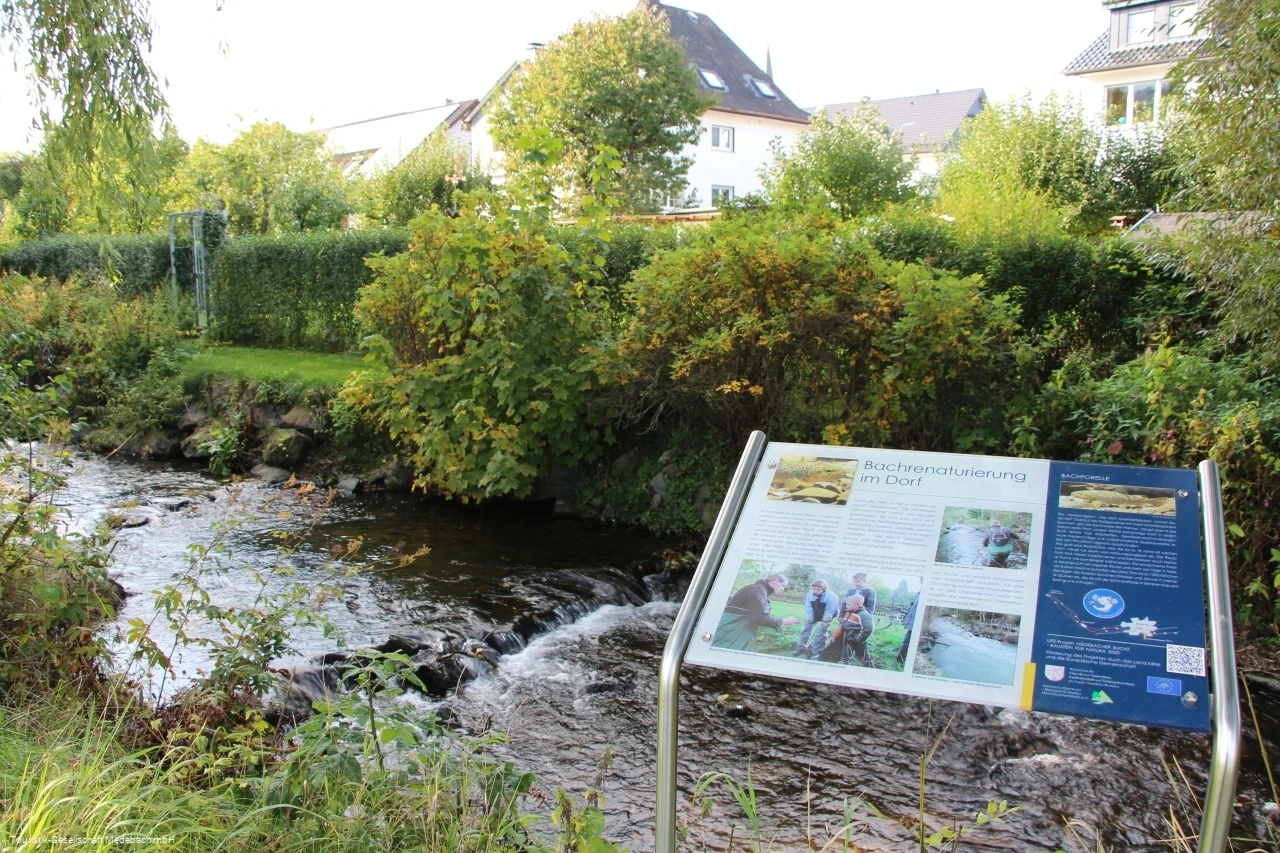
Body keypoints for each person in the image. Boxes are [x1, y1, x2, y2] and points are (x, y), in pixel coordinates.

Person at [712, 573, 800, 651]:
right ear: (776, 581)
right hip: (730, 633)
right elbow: (762, 618)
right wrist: (785, 621)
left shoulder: (758, 590)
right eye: (783, 585)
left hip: (733, 632)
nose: (783, 589)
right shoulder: (758, 591)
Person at [793, 580, 839, 659]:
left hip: (829, 614)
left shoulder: (832, 596)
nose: (815, 591)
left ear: (824, 589)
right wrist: (810, 618)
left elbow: (830, 610)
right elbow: (808, 606)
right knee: (807, 628)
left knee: (822, 631)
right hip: (815, 612)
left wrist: (825, 621)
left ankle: (817, 652)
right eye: (814, 589)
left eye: (818, 589)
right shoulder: (810, 594)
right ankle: (801, 648)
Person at [829, 594, 875, 666]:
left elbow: (867, 629)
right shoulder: (848, 613)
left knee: (864, 656)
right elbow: (843, 625)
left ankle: (870, 669)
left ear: (857, 605)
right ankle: (845, 665)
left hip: (858, 640)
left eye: (849, 604)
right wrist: (836, 635)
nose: (846, 606)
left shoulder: (864, 615)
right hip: (847, 638)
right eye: (846, 604)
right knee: (846, 655)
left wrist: (858, 640)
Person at [896, 593, 920, 665]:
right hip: (913, 624)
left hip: (915, 624)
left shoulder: (921, 594)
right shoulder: (919, 594)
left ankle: (901, 659)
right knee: (907, 642)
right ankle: (900, 660)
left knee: (908, 642)